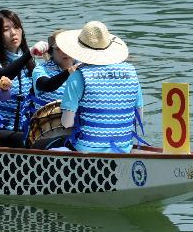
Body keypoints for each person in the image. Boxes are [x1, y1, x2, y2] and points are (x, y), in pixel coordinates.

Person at [57, 21, 144, 153]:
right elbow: (139, 118)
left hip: (86, 149)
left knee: (46, 144)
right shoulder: (131, 72)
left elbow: (67, 124)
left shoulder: (78, 76)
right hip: (124, 148)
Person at [0, 9, 48, 147]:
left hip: (22, 130)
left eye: (16, 27)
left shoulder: (31, 64)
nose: (13, 33)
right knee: (21, 140)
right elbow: (4, 75)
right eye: (6, 29)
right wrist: (30, 53)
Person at [31, 30, 81, 107]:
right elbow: (47, 85)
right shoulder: (41, 69)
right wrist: (68, 72)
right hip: (48, 118)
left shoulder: (83, 67)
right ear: (51, 53)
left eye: (68, 47)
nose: (65, 52)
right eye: (58, 48)